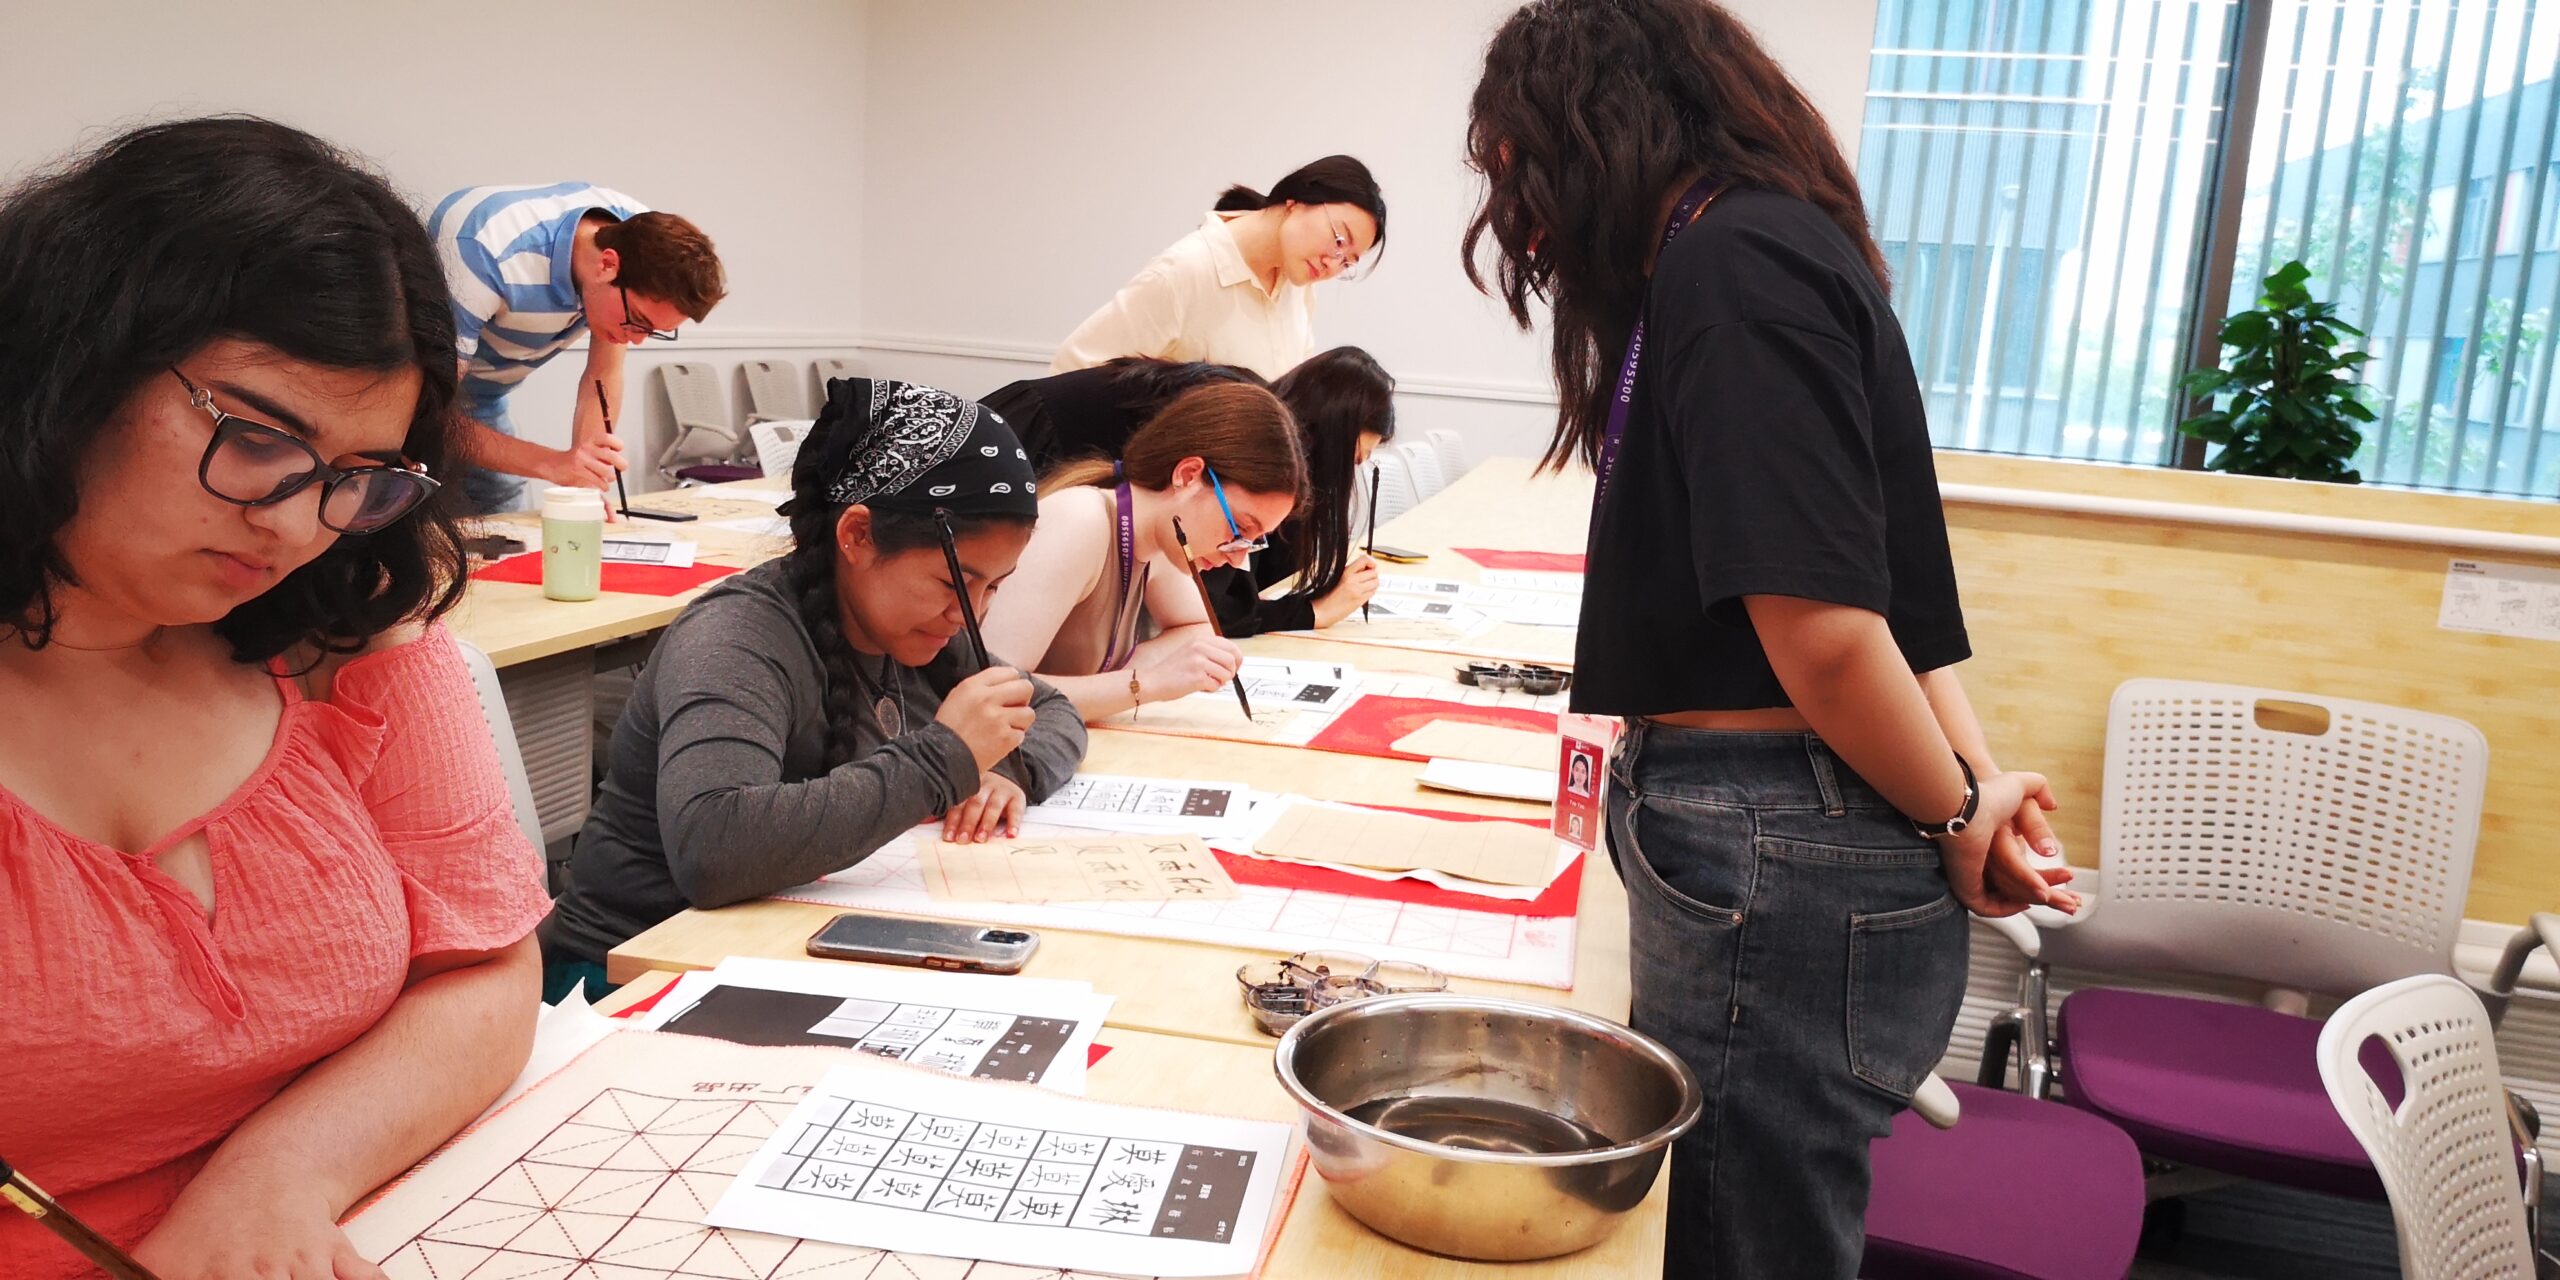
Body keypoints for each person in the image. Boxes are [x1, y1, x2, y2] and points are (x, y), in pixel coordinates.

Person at [1463, 3, 2081, 1275]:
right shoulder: (1757, 249)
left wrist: (1961, 811)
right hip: (1787, 828)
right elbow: (1898, 607)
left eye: (1518, 155)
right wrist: (1965, 793)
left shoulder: (1734, 264)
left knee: (1732, 1241)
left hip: (1776, 844)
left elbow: (1834, 638)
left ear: (1596, 122)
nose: (1515, 200)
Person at [0, 117, 549, 1277]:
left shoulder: (348, 640)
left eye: (360, 478)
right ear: (72, 364)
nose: (299, 526)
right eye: (257, 438)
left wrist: (274, 1180)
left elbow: (487, 967)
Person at [540, 379, 1088, 999]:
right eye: (956, 582)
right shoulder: (737, 638)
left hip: (774, 952)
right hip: (629, 973)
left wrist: (1002, 771)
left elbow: (1050, 708)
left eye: (997, 586)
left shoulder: (921, 627)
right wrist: (944, 760)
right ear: (856, 535)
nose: (972, 613)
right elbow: (713, 846)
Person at [981, 347, 1392, 634]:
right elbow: (1222, 610)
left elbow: (1204, 618)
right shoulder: (1229, 448)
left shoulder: (1231, 474)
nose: (1344, 479)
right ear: (1187, 476)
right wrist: (1313, 613)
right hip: (1023, 445)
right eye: (1351, 460)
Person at [980, 382, 1307, 722]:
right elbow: (991, 692)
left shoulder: (1159, 539)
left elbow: (1198, 631)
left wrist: (1124, 684)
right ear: (1188, 475)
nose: (1238, 557)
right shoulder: (1079, 520)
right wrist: (1146, 683)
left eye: (1254, 540)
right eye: (1238, 529)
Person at [428, 182, 727, 513]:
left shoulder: (637, 236)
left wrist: (587, 479)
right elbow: (425, 412)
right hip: (402, 384)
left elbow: (604, 373)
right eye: (638, 320)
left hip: (480, 394)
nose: (637, 339)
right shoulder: (483, 252)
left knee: (501, 513)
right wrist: (553, 464)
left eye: (655, 330)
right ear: (607, 265)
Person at [1050, 157, 1385, 380]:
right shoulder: (1186, 270)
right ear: (1296, 200)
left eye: (1348, 261)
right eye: (1340, 239)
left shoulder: (1299, 288)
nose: (1332, 263)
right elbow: (1073, 370)